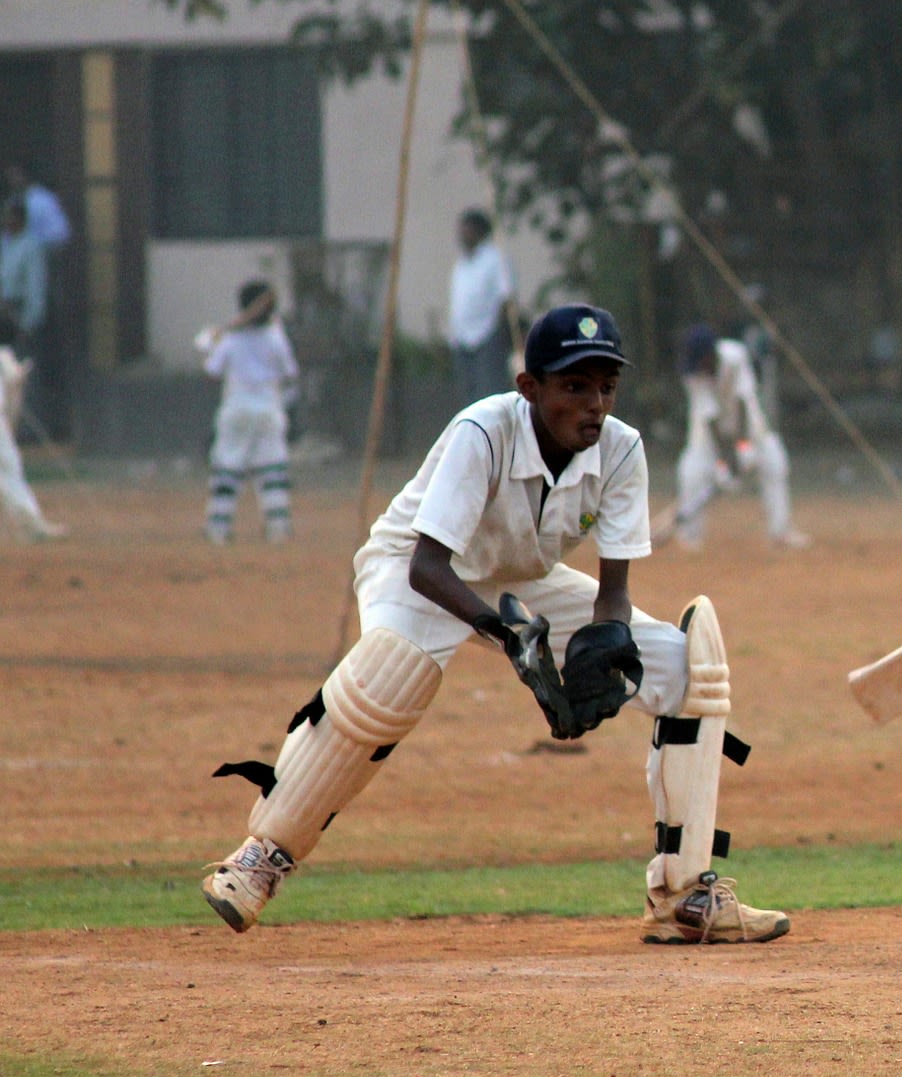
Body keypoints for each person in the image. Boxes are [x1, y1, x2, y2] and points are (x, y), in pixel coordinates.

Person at [200, 304, 789, 945]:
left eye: (605, 387)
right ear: (529, 389)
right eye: (573, 387)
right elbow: (428, 565)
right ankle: (261, 858)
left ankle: (684, 896)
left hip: (522, 575)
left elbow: (613, 594)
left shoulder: (621, 450)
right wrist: (507, 636)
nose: (594, 404)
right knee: (395, 675)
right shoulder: (482, 433)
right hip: (417, 567)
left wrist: (606, 647)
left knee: (684, 669)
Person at [670, 323, 809, 551]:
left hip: (750, 429)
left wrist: (742, 448)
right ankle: (689, 536)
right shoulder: (693, 374)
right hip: (708, 435)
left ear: (710, 354)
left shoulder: (735, 356)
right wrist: (726, 461)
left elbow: (743, 402)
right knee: (692, 472)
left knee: (774, 462)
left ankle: (780, 532)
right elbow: (710, 418)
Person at [198, 280, 299, 544]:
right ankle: (278, 527)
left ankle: (218, 529)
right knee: (272, 469)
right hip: (269, 409)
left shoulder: (231, 338)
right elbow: (290, 372)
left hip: (237, 408)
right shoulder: (276, 336)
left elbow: (211, 372)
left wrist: (212, 343)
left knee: (228, 469)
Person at [0, 311, 62, 541]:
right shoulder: (4, 356)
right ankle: (29, 524)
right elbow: (15, 386)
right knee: (9, 470)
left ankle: (27, 523)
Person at [447, 208, 517, 405]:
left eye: (466, 229)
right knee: (468, 396)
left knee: (490, 394)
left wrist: (498, 333)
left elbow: (507, 298)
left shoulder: (495, 259)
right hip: (462, 339)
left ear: (479, 231)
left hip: (487, 336)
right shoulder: (461, 264)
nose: (461, 234)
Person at [0, 200, 46, 354]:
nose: (4, 221)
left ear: (19, 219)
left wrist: (28, 324)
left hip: (20, 315)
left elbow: (35, 287)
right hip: (4, 315)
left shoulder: (31, 247)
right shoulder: (6, 244)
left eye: (8, 216)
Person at [3, 163, 71, 251]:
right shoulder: (12, 201)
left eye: (15, 175)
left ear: (25, 175)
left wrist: (35, 246)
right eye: (9, 176)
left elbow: (61, 234)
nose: (12, 180)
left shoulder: (44, 199)